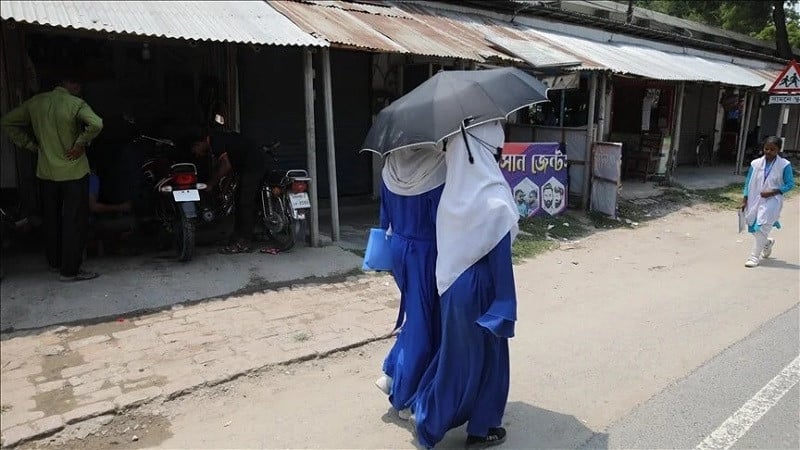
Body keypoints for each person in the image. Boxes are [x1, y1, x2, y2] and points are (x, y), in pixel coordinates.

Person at [412, 120, 518, 449]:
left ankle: (435, 417)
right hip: (483, 289)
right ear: (484, 152)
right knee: (490, 360)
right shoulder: (494, 198)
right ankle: (463, 426)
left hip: (453, 286)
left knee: (456, 358)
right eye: (496, 150)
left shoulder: (452, 197)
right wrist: (505, 306)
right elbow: (500, 260)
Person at [0, 73, 103, 281]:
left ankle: (55, 263)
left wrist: (30, 145)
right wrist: (80, 143)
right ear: (68, 83)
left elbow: (7, 121)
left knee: (51, 218)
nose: (79, 88)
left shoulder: (36, 102)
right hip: (74, 172)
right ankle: (70, 270)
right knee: (73, 221)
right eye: (77, 84)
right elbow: (97, 124)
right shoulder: (76, 103)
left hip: (46, 172)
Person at [375, 144, 446, 420]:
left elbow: (384, 218)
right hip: (427, 251)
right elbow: (442, 219)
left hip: (399, 248)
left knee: (416, 314)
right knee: (423, 322)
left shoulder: (390, 167)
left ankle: (393, 373)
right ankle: (404, 395)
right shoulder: (436, 167)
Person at [189, 129, 267, 253]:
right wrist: (224, 188)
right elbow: (231, 167)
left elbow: (226, 166)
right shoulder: (221, 139)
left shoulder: (216, 142)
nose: (197, 155)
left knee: (244, 203)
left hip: (253, 166)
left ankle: (244, 241)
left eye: (195, 151)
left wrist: (210, 184)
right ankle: (239, 236)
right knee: (240, 200)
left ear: (199, 143)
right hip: (248, 166)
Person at [741, 136, 795, 268]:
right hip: (755, 198)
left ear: (778, 150)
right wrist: (745, 199)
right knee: (754, 227)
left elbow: (790, 184)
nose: (768, 151)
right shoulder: (755, 164)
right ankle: (767, 243)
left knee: (763, 226)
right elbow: (748, 182)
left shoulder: (784, 165)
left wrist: (773, 192)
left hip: (772, 200)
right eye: (766, 148)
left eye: (772, 149)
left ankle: (754, 257)